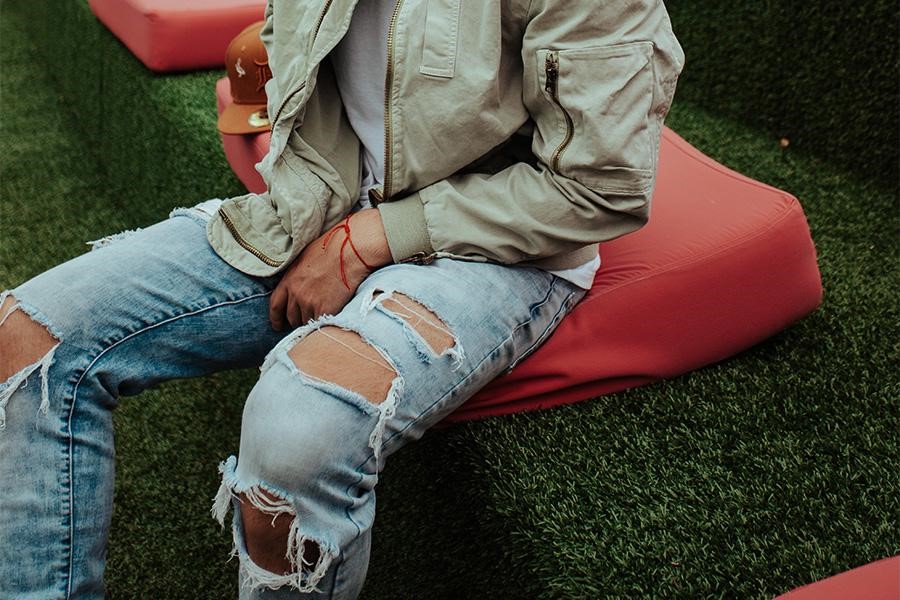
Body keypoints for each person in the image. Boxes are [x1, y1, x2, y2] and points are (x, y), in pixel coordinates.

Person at [0, 0, 683, 597]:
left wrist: (373, 238)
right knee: (29, 337)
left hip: (498, 246)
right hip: (323, 201)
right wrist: (318, 196)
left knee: (296, 436)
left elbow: (600, 186)